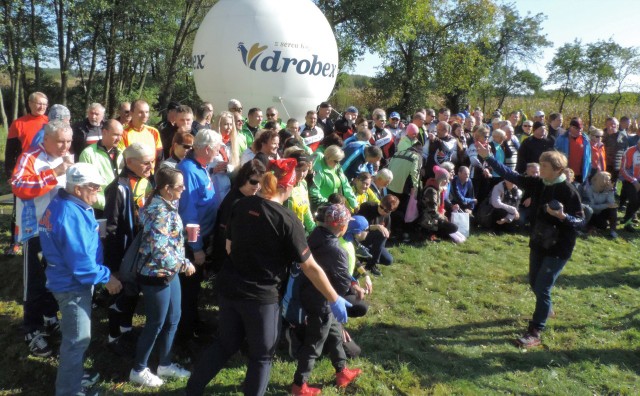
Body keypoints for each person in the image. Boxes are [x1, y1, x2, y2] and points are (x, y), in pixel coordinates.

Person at [186, 158, 352, 396]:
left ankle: (192, 390)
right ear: (287, 186)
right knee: (262, 356)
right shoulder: (287, 219)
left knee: (224, 344)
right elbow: (310, 266)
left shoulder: (241, 205)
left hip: (230, 286)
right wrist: (334, 298)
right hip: (261, 297)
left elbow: (230, 248)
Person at [477, 146, 584, 348]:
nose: (540, 169)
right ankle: (547, 308)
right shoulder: (538, 184)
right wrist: (488, 157)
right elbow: (510, 174)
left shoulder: (568, 191)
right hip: (539, 241)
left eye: (544, 166)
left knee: (543, 287)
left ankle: (535, 330)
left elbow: (580, 222)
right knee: (534, 282)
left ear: (558, 169)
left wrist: (562, 216)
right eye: (541, 164)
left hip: (560, 247)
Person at [40, 163, 123, 396]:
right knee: (77, 340)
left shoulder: (63, 203)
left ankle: (73, 377)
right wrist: (108, 278)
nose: (98, 191)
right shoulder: (70, 214)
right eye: (94, 187)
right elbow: (81, 264)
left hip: (65, 280)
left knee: (76, 337)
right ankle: (69, 390)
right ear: (78, 189)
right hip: (72, 286)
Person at [11, 119, 74, 357]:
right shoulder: (30, 158)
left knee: (54, 277)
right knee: (35, 282)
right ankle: (32, 328)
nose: (65, 146)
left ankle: (49, 317)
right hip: (35, 229)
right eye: (60, 141)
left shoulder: (68, 157)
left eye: (68, 141)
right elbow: (18, 186)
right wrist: (54, 173)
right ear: (45, 138)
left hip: (59, 230)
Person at [129, 167, 196, 387]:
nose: (183, 189)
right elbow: (159, 250)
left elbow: (166, 240)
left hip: (170, 274)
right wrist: (184, 264)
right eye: (180, 186)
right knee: (155, 323)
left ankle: (165, 364)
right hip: (155, 274)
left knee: (173, 318)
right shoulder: (159, 211)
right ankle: (138, 369)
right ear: (167, 189)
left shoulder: (168, 204)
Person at [290, 204, 363, 395]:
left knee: (334, 335)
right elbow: (341, 285)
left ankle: (342, 371)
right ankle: (300, 384)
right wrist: (352, 284)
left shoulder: (315, 235)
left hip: (309, 294)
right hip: (322, 302)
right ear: (342, 227)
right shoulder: (337, 251)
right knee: (314, 345)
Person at [103, 142, 155, 355]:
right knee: (122, 293)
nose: (150, 166)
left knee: (133, 292)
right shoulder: (118, 187)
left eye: (152, 161)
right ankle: (113, 336)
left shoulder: (148, 180)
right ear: (130, 162)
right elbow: (112, 227)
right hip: (124, 250)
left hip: (141, 248)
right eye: (145, 162)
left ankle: (126, 327)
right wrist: (112, 265)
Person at [176, 129, 220, 343]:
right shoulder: (187, 170)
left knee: (195, 289)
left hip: (204, 238)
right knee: (188, 289)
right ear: (207, 148)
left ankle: (193, 323)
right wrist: (197, 247)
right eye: (217, 149)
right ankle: (185, 334)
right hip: (191, 244)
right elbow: (188, 213)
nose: (218, 153)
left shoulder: (201, 167)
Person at [209, 160, 267, 273]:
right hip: (229, 264)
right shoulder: (234, 203)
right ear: (244, 179)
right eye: (254, 182)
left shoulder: (247, 197)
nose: (258, 186)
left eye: (261, 183)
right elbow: (224, 238)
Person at [78, 119, 125, 217]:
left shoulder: (122, 153)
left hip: (120, 208)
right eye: (116, 134)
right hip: (99, 210)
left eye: (121, 135)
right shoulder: (88, 154)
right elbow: (86, 186)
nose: (119, 139)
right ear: (104, 132)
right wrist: (108, 205)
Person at [5, 92, 49, 179]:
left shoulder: (50, 122)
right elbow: (10, 152)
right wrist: (10, 173)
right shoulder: (18, 124)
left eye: (45, 104)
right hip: (24, 168)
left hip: (45, 167)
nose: (42, 107)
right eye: (39, 104)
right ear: (30, 103)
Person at [418, 165, 466, 243]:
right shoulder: (432, 191)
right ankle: (429, 232)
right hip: (428, 220)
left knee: (452, 227)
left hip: (433, 218)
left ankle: (438, 234)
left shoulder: (436, 189)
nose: (447, 182)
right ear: (442, 180)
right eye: (446, 180)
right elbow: (432, 211)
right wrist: (442, 217)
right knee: (453, 228)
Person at [357, 195, 399, 275]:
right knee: (381, 232)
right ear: (380, 202)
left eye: (386, 210)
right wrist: (375, 227)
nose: (382, 210)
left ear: (391, 211)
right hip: (361, 238)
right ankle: (371, 264)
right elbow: (357, 227)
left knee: (388, 260)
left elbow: (386, 234)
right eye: (381, 206)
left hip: (374, 244)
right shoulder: (367, 207)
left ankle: (366, 258)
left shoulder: (387, 217)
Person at [309, 145, 358, 211]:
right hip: (321, 208)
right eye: (336, 161)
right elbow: (314, 192)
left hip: (335, 206)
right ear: (328, 157)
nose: (337, 163)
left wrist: (354, 204)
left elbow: (346, 186)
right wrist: (329, 204)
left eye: (339, 161)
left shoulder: (337, 168)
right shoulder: (318, 169)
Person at [119, 99, 163, 170]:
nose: (144, 115)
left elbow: (159, 157)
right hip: (132, 176)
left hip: (151, 175)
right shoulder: (123, 133)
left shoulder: (154, 132)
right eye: (140, 112)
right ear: (131, 113)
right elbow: (121, 158)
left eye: (147, 112)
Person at [285, 149, 316, 234]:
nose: (301, 174)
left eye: (304, 170)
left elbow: (306, 211)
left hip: (300, 233)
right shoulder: (283, 186)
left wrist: (314, 231)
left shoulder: (303, 184)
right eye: (298, 170)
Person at [555, 117, 591, 185]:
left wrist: (588, 172)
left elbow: (588, 158)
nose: (579, 130)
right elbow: (556, 155)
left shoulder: (586, 140)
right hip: (566, 173)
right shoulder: (562, 139)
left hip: (580, 174)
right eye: (577, 128)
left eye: (581, 128)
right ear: (571, 127)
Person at [583, 171, 618, 238]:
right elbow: (591, 207)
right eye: (607, 180)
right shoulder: (589, 190)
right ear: (601, 180)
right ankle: (591, 227)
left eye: (609, 180)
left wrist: (610, 191)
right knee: (602, 226)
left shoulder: (607, 189)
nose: (608, 182)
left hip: (601, 212)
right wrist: (606, 205)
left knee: (613, 209)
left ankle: (613, 230)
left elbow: (612, 203)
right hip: (591, 214)